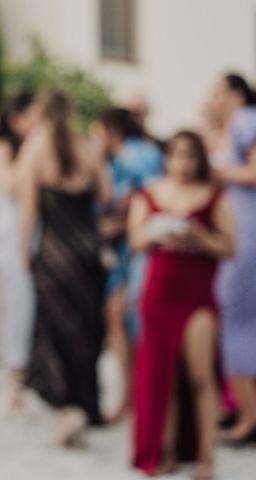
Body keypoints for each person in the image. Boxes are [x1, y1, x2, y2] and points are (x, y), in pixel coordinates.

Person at [128, 131, 234, 479]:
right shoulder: (150, 193)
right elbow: (137, 239)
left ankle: (207, 457)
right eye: (176, 155)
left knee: (201, 374)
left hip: (197, 294)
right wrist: (159, 232)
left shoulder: (214, 196)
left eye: (190, 156)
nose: (183, 163)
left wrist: (198, 236)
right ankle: (165, 451)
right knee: (163, 376)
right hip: (159, 292)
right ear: (167, 158)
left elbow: (229, 247)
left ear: (199, 159)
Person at [19, 90, 108, 445]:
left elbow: (28, 211)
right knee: (86, 331)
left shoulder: (37, 147)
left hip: (55, 254)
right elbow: (106, 193)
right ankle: (85, 406)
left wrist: (23, 251)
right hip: (87, 252)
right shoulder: (87, 145)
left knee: (54, 330)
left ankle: (67, 408)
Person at [94, 107, 164, 423]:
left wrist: (118, 227)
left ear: (109, 129)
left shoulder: (140, 156)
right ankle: (129, 396)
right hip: (122, 253)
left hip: (143, 251)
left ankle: (143, 399)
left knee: (137, 323)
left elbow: (155, 202)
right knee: (115, 317)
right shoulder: (114, 160)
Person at [0, 91, 38, 411]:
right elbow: (10, 186)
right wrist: (33, 152)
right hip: (10, 238)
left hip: (37, 233)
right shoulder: (3, 150)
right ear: (17, 120)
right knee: (17, 309)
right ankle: (14, 381)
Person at [212, 73, 256, 445]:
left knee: (235, 319)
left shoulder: (246, 120)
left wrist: (216, 171)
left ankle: (249, 416)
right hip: (242, 230)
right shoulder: (236, 124)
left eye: (219, 91)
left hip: (246, 233)